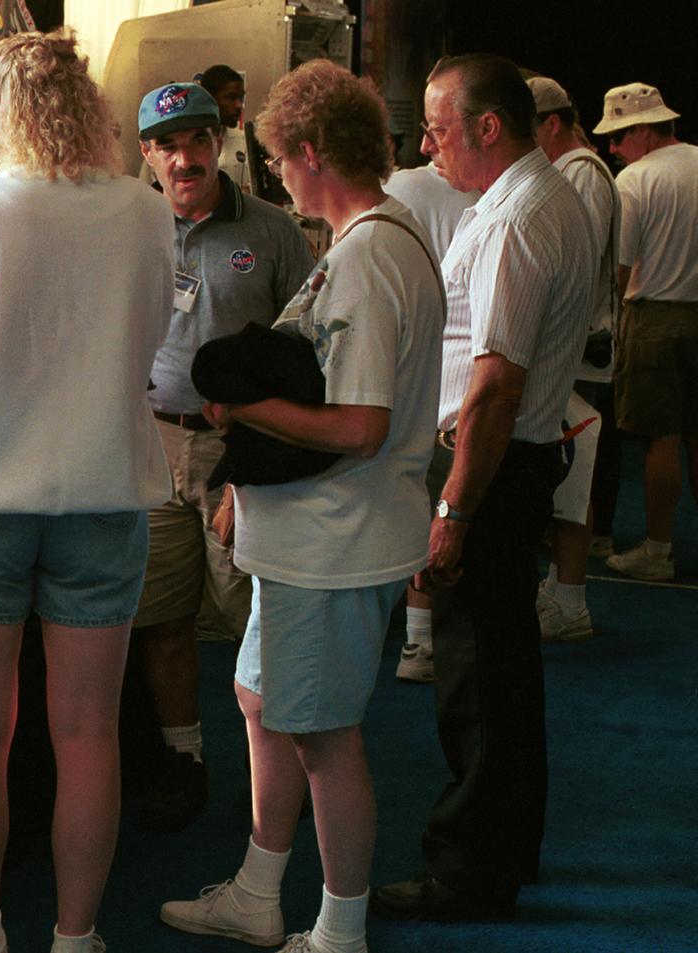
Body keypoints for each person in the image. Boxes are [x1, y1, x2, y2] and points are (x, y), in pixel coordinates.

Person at [0, 29, 175, 953]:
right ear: (84, 102)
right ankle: (77, 935)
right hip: (102, 498)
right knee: (88, 734)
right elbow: (153, 333)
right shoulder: (145, 210)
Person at [159, 59, 444, 953]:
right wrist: (245, 485)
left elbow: (359, 424)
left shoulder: (369, 256)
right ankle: (257, 887)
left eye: (279, 157)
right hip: (309, 536)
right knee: (257, 695)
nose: (274, 171)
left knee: (324, 735)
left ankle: (338, 930)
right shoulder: (369, 244)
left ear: (312, 153)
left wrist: (239, 411)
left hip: (337, 540)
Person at [371, 53, 597, 921]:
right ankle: (504, 849)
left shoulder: (517, 218)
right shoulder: (527, 201)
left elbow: (496, 384)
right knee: (503, 672)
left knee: (477, 682)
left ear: (487, 127)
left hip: (491, 468)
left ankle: (469, 870)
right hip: (504, 461)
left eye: (437, 126)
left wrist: (453, 509)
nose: (427, 144)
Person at [133, 80, 314, 832]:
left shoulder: (271, 230)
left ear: (220, 144)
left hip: (237, 451)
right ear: (146, 154)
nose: (185, 158)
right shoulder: (129, 229)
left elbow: (304, 355)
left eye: (198, 141)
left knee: (257, 619)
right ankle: (185, 760)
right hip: (146, 441)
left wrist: (248, 467)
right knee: (162, 618)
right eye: (168, 145)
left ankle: (292, 776)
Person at [529, 75, 623, 640]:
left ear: (554, 123)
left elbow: (574, 265)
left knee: (573, 481)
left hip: (577, 351)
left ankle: (569, 601)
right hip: (571, 348)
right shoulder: (571, 171)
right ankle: (562, 594)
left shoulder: (581, 172)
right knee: (565, 481)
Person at [593, 83, 698, 582]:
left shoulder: (634, 180)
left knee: (662, 439)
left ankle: (658, 550)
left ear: (640, 129)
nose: (611, 149)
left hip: (653, 317)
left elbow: (619, 268)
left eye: (617, 137)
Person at [382, 161, 480, 681]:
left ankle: (418, 642)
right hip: (447, 378)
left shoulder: (406, 190)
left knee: (424, 503)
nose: (426, 143)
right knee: (435, 507)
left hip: (422, 369)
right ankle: (422, 642)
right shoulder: (483, 196)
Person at [199, 63, 253, 193]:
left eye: (241, 98)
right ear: (208, 98)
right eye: (231, 97)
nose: (239, 105)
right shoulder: (176, 145)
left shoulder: (245, 142)